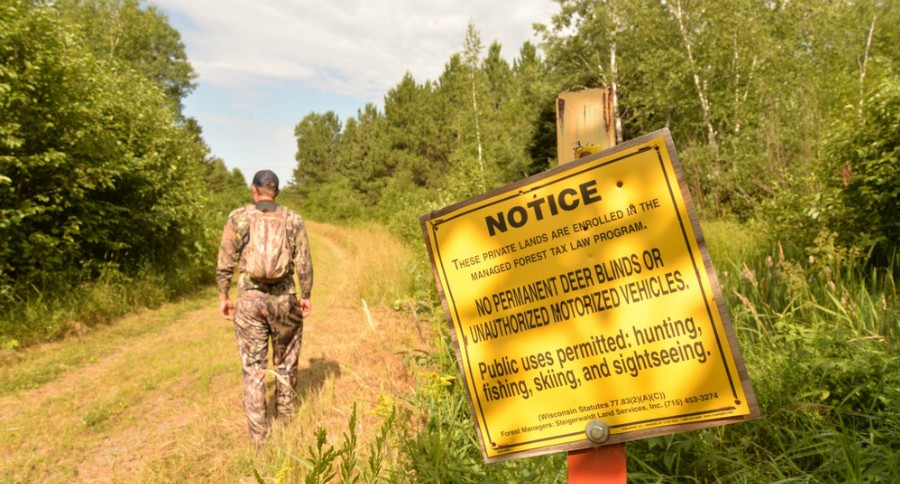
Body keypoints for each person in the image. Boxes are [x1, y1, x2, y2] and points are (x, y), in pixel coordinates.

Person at [216, 169, 313, 445]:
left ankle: (259, 437)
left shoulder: (239, 217)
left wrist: (224, 294)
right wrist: (305, 294)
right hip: (285, 300)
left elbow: (225, 259)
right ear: (277, 192)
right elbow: (303, 260)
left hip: (249, 301)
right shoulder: (293, 218)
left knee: (253, 368)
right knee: (286, 363)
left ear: (254, 190)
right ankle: (287, 422)